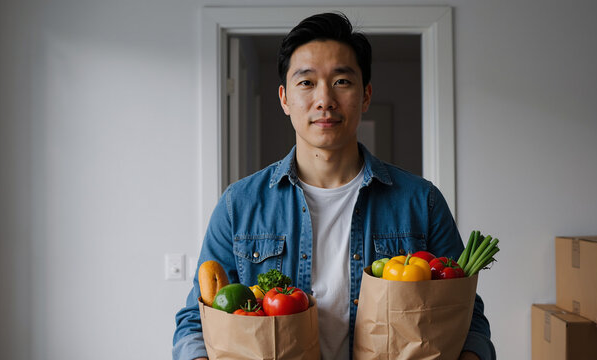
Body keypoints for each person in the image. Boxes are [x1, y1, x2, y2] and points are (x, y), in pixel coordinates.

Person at [173, 12, 496, 360]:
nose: (324, 99)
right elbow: (195, 320)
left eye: (342, 81)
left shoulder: (422, 201)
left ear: (366, 95)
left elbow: (466, 316)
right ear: (284, 98)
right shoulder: (240, 205)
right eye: (307, 82)